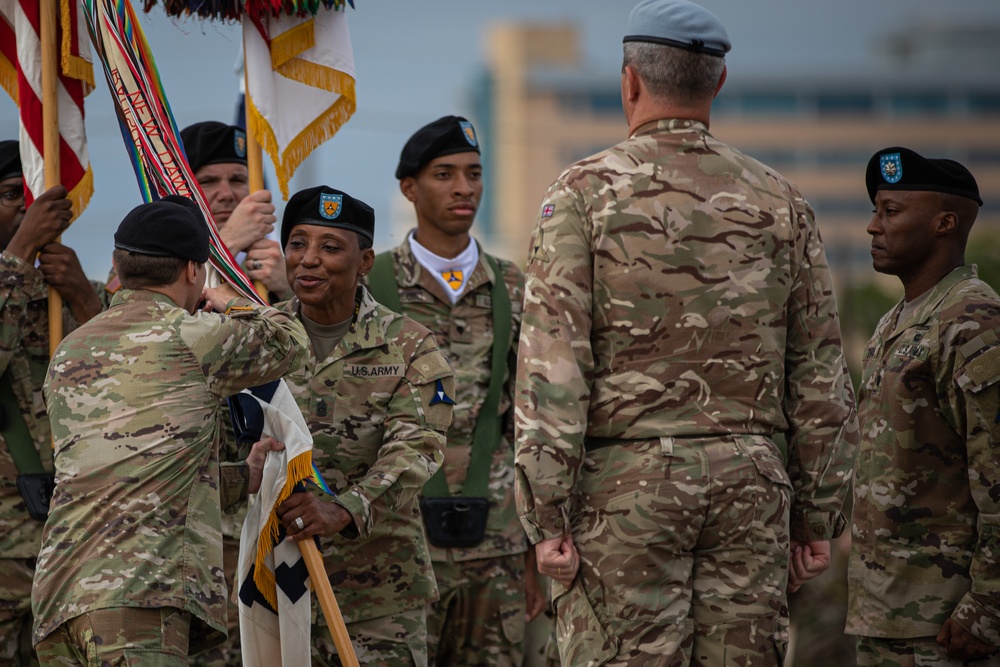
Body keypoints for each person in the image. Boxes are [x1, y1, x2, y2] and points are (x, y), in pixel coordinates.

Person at [513, 1, 860, 664]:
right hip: (751, 484)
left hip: (625, 488)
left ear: (630, 81)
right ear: (719, 83)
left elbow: (552, 371)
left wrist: (546, 515)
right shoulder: (781, 200)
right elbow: (819, 371)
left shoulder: (583, 194)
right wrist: (817, 515)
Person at [31, 195, 309, 665]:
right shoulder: (192, 334)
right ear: (191, 271)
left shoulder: (72, 349)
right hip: (140, 595)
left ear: (119, 265)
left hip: (62, 597)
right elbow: (291, 341)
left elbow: (129, 472)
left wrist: (245, 478)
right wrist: (228, 300)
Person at [365, 115, 545, 666]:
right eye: (444, 174)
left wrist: (537, 552)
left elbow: (536, 417)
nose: (464, 187)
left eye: (473, 173)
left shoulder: (515, 285)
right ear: (409, 188)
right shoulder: (369, 286)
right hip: (394, 544)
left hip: (498, 542)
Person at [274, 185, 455, 666]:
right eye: (298, 243)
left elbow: (416, 449)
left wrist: (344, 509)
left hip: (377, 598)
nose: (309, 259)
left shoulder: (410, 346)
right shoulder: (258, 342)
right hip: (270, 590)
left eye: (330, 247)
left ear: (365, 262)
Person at [846, 147, 1000, 666]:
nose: (873, 226)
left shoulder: (973, 321)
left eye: (890, 211)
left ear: (944, 223)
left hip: (947, 623)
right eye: (874, 211)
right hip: (889, 612)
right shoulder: (899, 321)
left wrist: (987, 608)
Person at [0, 140, 102, 665]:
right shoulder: (14, 276)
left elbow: (134, 371)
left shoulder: (63, 293)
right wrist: (17, 255)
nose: (28, 206)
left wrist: (86, 299)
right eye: (13, 194)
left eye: (36, 193)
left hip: (70, 543)